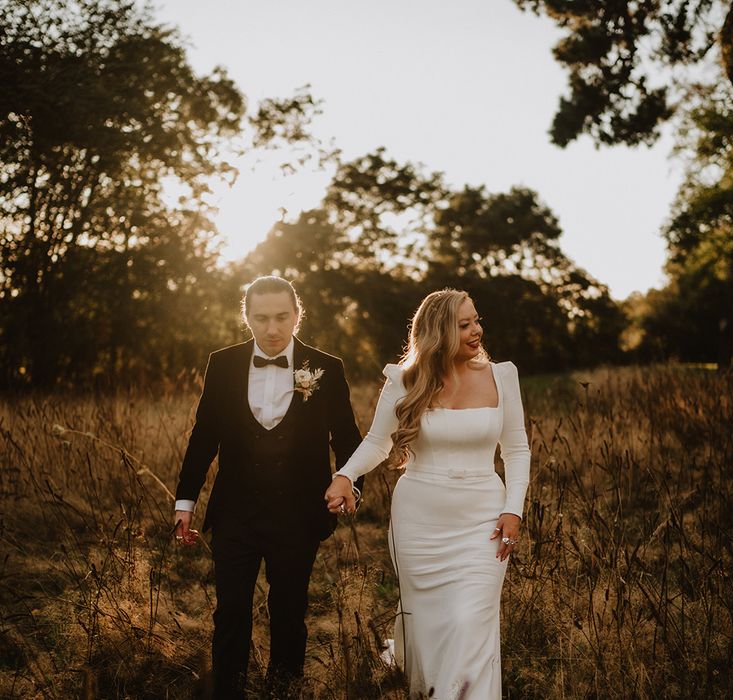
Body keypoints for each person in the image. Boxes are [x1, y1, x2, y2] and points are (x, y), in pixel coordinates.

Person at [324, 288, 530, 700]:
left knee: (472, 618)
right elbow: (378, 443)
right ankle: (430, 690)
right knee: (430, 621)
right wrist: (345, 474)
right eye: (465, 324)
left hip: (484, 518)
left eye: (477, 320)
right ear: (438, 331)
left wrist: (514, 509)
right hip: (419, 518)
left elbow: (517, 449)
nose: (477, 330)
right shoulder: (405, 380)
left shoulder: (502, 375)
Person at [174, 276, 362, 699]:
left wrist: (349, 481)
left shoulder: (326, 368)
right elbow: (203, 438)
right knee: (231, 614)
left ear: (297, 316)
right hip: (235, 514)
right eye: (261, 318)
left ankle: (284, 691)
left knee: (289, 613)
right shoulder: (222, 364)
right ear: (247, 318)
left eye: (282, 317)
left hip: (299, 514)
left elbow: (348, 438)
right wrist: (185, 500)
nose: (273, 328)